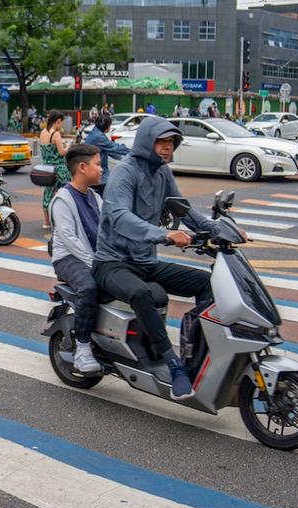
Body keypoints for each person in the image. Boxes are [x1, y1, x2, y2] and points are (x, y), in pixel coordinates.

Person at [93, 116, 231, 400]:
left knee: (208, 283)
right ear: (146, 141)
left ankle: (195, 354)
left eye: (172, 143)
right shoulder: (125, 173)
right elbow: (119, 217)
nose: (168, 148)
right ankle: (172, 363)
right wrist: (164, 235)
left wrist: (223, 231)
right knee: (141, 293)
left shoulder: (163, 174)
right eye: (162, 142)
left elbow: (184, 211)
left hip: (146, 262)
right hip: (112, 263)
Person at [50, 144, 105, 373]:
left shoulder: (94, 196)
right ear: (82, 167)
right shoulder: (63, 199)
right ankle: (83, 349)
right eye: (98, 164)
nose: (102, 169)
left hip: (95, 257)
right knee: (89, 286)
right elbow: (70, 239)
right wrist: (95, 264)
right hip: (68, 259)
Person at [38, 111, 70, 228]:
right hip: (58, 169)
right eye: (61, 122)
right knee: (65, 192)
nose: (61, 125)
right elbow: (62, 152)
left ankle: (46, 222)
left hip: (46, 168)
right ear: (58, 121)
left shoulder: (42, 132)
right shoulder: (56, 134)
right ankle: (61, 219)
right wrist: (68, 147)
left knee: (48, 193)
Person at [84, 114, 130, 186]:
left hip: (97, 169)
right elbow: (114, 147)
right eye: (109, 125)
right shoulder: (98, 136)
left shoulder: (96, 131)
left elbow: (109, 149)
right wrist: (131, 152)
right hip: (98, 171)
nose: (110, 127)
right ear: (105, 126)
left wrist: (124, 158)